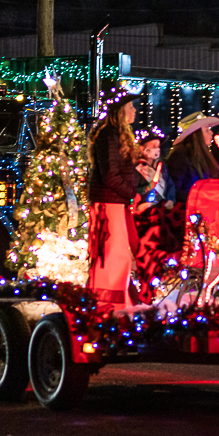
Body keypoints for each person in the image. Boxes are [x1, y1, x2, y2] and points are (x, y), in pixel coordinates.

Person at [86, 93, 140, 309]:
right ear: (121, 112)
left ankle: (117, 301)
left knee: (117, 257)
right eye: (131, 107)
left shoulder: (115, 135)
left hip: (115, 203)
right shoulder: (109, 136)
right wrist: (131, 193)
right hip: (108, 205)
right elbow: (110, 174)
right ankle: (107, 304)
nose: (135, 111)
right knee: (112, 257)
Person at [166, 111, 219, 203]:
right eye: (207, 130)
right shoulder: (179, 157)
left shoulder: (203, 155)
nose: (211, 132)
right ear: (196, 135)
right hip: (190, 209)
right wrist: (201, 196)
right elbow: (175, 189)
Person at [134, 127, 175, 207]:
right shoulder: (135, 167)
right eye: (153, 146)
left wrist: (170, 200)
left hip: (162, 208)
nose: (157, 149)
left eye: (158, 146)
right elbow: (132, 190)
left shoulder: (161, 166)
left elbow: (170, 184)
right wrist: (146, 188)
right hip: (142, 209)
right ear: (142, 149)